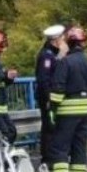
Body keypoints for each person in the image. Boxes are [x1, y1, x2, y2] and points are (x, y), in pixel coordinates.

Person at [48, 27, 87, 172]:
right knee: (79, 148)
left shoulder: (65, 62)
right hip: (85, 111)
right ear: (83, 43)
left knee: (60, 148)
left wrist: (52, 110)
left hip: (67, 111)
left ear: (69, 43)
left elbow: (57, 89)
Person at [35, 24, 67, 164]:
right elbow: (45, 79)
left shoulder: (51, 54)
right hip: (48, 97)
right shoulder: (47, 56)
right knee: (49, 127)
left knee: (53, 126)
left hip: (52, 97)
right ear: (56, 40)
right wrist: (48, 98)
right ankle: (47, 158)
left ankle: (52, 155)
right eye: (62, 37)